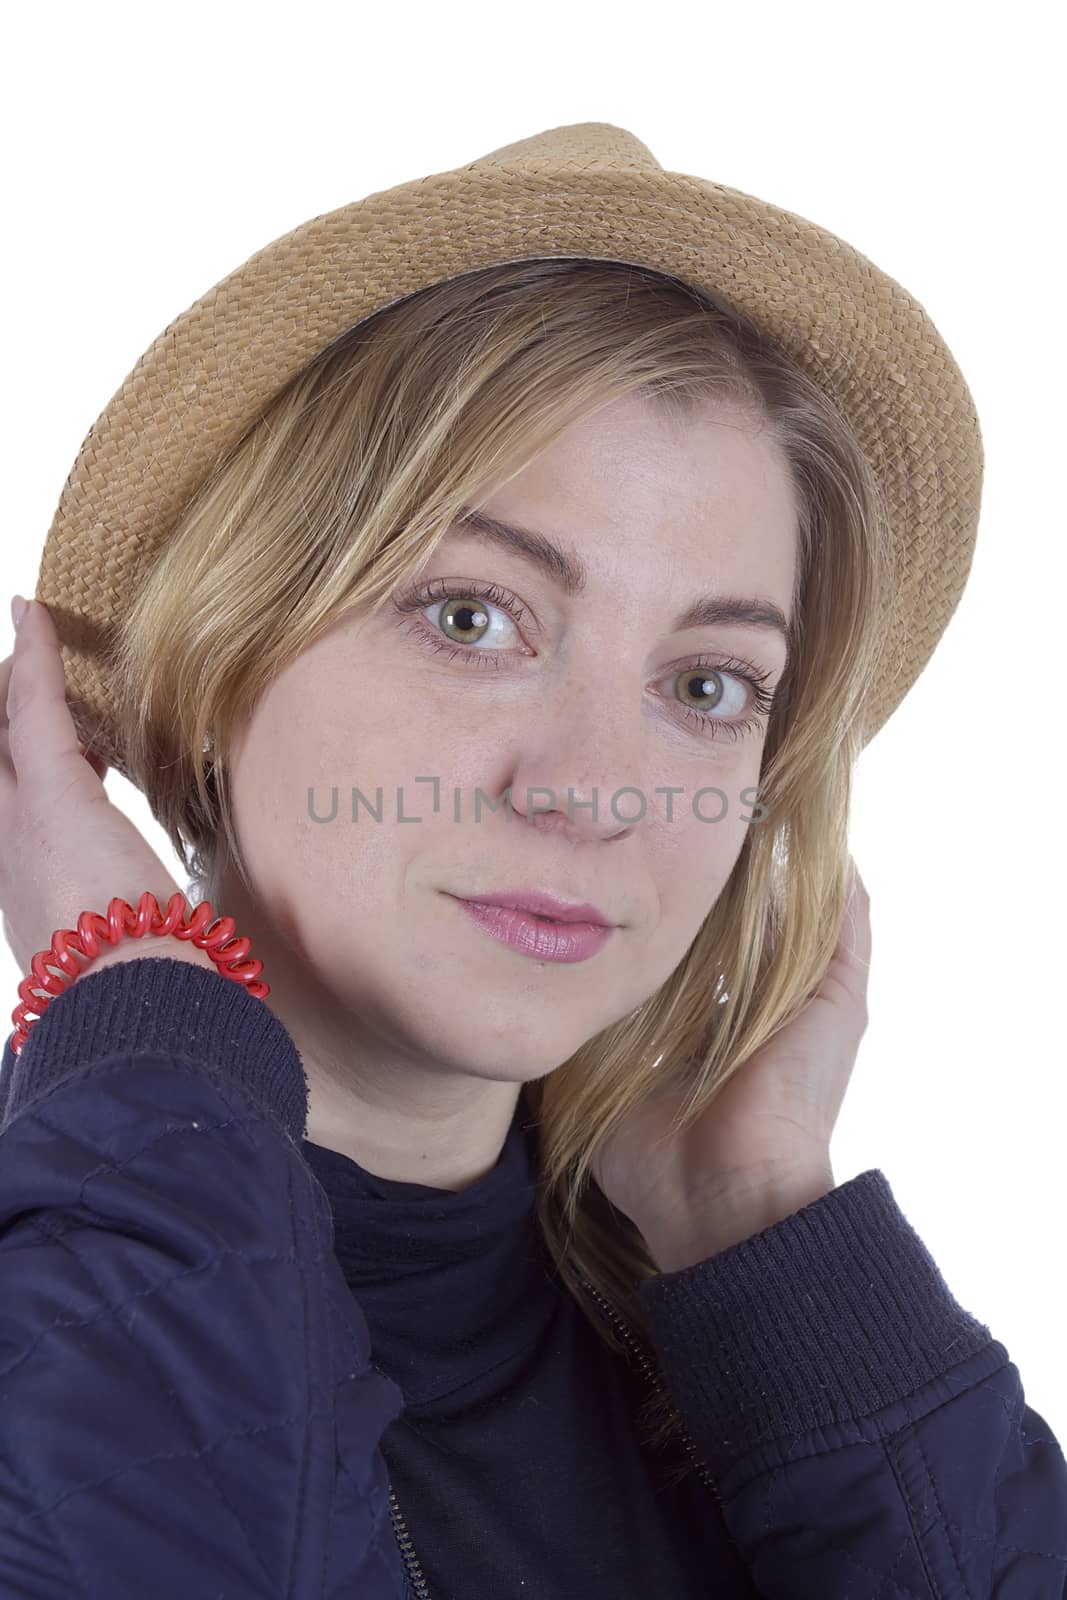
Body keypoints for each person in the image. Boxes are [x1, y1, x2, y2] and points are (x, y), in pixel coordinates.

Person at [1, 123, 1065, 1598]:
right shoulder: (46, 1303)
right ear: (222, 655)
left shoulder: (739, 1364)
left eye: (705, 686)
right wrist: (129, 1015)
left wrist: (756, 1219)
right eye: (473, 618)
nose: (595, 794)